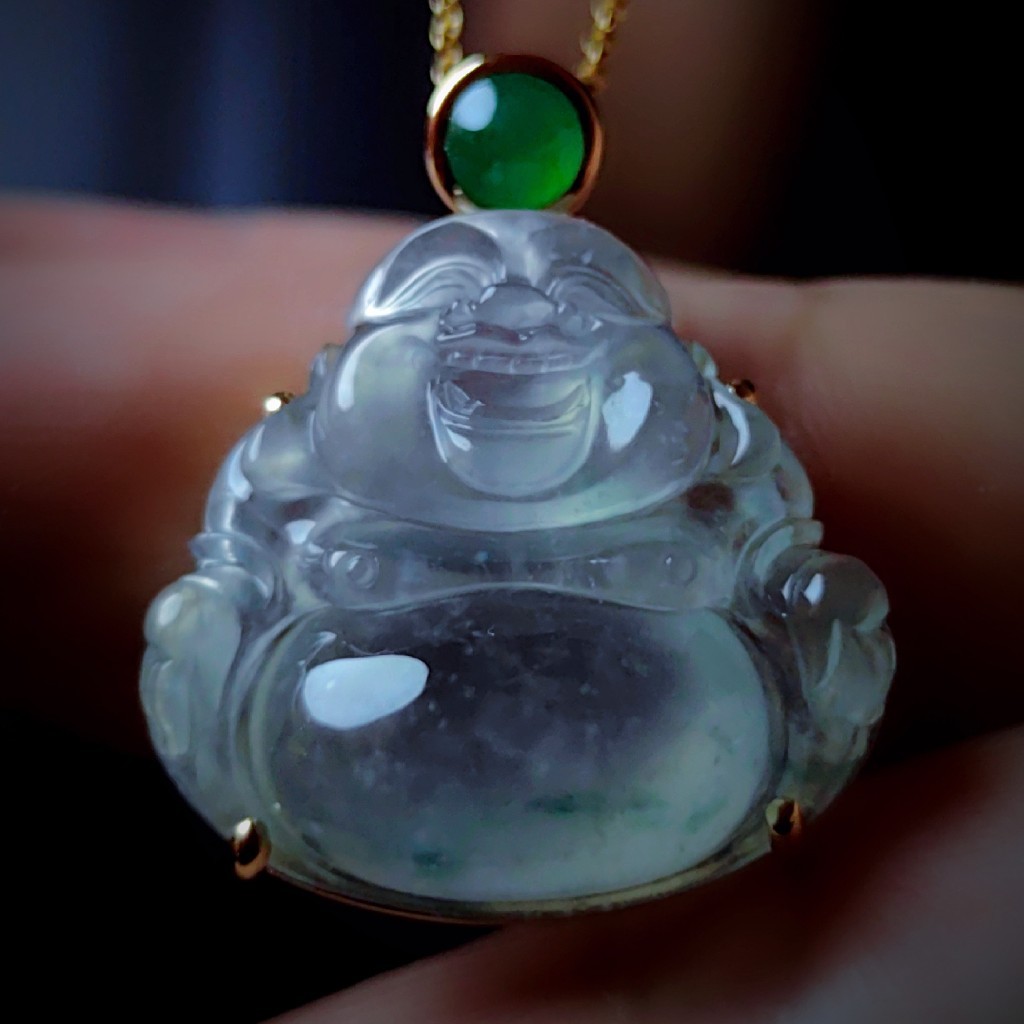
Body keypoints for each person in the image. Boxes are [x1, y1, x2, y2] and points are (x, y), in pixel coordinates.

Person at [1, 4, 1021, 1022]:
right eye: (449, 298)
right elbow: (236, 576)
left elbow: (782, 577)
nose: (520, 318)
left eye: (579, 306)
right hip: (330, 761)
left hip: (681, 725)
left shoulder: (707, 464)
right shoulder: (313, 473)